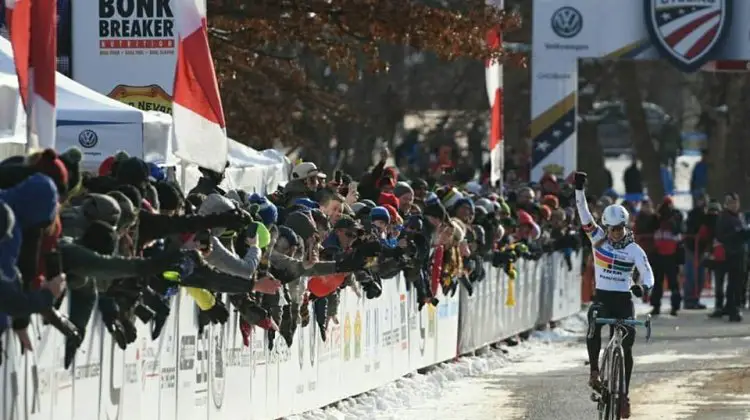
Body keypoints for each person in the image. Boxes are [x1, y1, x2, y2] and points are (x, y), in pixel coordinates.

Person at [574, 171, 655, 419]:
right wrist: (579, 190)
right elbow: (584, 213)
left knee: (627, 349)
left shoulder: (634, 249)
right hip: (603, 299)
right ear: (606, 227)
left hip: (623, 302)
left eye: (620, 229)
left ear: (625, 226)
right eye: (612, 229)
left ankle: (624, 396)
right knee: (593, 320)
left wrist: (644, 287)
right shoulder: (597, 238)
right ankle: (595, 372)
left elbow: (648, 273)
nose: (616, 233)